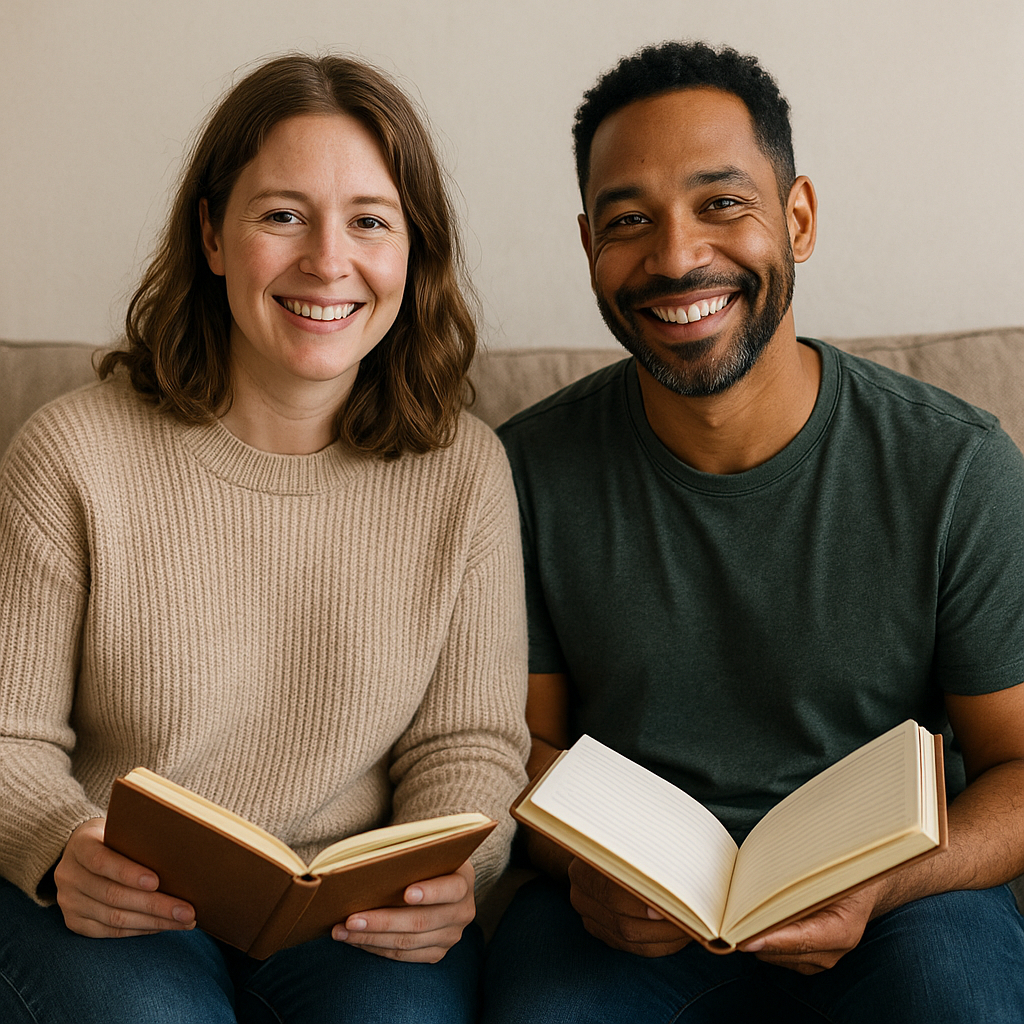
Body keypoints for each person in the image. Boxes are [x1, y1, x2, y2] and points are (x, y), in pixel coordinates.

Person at [481, 40, 1024, 1022]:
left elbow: (1019, 765)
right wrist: (586, 865)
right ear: (588, 247)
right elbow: (521, 746)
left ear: (798, 218)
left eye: (720, 202)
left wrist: (887, 885)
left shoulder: (956, 466)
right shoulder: (520, 471)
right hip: (621, 910)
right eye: (628, 221)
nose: (677, 256)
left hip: (902, 896)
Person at [0, 53, 529, 1024]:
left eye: (370, 220)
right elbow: (8, 736)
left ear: (413, 250)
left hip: (349, 914)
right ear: (212, 233)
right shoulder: (71, 452)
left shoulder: (465, 470)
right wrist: (58, 840)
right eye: (282, 214)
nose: (328, 262)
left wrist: (457, 867)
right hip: (120, 897)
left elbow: (470, 742)